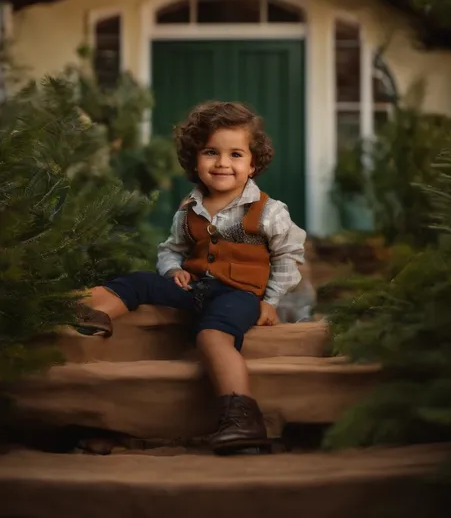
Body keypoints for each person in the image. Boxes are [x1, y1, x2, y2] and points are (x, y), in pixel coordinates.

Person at [76, 101, 306, 454]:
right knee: (140, 281)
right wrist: (173, 270)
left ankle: (242, 417)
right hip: (195, 287)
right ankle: (90, 311)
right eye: (211, 152)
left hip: (239, 294)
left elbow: (288, 256)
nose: (222, 163)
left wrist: (271, 301)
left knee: (212, 336)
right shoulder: (190, 209)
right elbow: (171, 248)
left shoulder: (269, 211)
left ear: (253, 163)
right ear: (194, 160)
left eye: (236, 154)